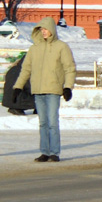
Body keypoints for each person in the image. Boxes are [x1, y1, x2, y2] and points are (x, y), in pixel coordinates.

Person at [13, 17, 75, 163]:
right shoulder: (34, 49)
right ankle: (44, 152)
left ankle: (54, 152)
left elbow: (69, 68)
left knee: (52, 122)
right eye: (41, 30)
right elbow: (26, 69)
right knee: (42, 123)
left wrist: (68, 87)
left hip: (53, 89)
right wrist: (18, 87)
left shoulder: (61, 47)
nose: (43, 32)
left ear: (52, 30)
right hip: (38, 90)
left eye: (45, 29)